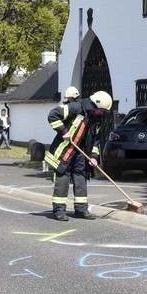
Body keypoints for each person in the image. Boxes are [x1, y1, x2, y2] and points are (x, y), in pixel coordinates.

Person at [44, 88, 111, 221]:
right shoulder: (76, 108)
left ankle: (81, 209)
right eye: (102, 110)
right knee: (62, 179)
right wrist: (63, 131)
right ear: (96, 105)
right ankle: (59, 210)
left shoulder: (96, 119)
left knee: (81, 177)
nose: (102, 113)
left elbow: (96, 141)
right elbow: (53, 115)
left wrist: (94, 157)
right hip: (65, 151)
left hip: (82, 153)